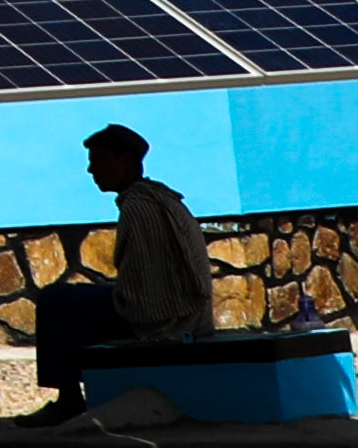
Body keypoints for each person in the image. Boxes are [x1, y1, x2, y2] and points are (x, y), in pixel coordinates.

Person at [26, 124, 222, 417]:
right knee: (77, 299)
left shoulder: (140, 207)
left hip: (168, 318)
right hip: (180, 308)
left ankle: (69, 398)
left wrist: (118, 305)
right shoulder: (159, 198)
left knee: (56, 301)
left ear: (126, 161)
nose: (92, 170)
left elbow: (144, 291)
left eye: (100, 161)